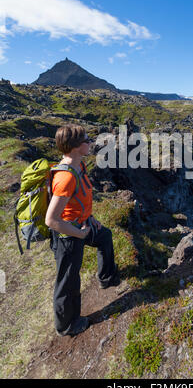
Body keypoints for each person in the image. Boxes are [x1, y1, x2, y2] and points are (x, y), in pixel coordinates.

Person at [45, 124, 119, 337]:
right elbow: (52, 219)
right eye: (86, 140)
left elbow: (80, 198)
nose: (90, 143)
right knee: (68, 280)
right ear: (76, 146)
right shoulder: (66, 177)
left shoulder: (80, 166)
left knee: (105, 236)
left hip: (82, 224)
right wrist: (78, 234)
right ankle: (67, 325)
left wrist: (89, 218)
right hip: (68, 235)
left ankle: (107, 278)